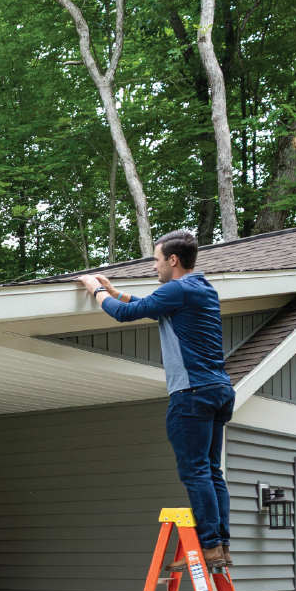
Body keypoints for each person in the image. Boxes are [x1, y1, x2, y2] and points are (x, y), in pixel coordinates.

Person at [78, 230, 235, 569]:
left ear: (173, 260)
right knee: (211, 471)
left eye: (156, 259)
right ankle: (220, 545)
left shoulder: (177, 289)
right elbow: (150, 305)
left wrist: (95, 290)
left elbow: (124, 315)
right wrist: (117, 291)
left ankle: (208, 545)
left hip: (191, 393)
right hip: (218, 390)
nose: (154, 266)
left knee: (195, 471)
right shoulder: (201, 287)